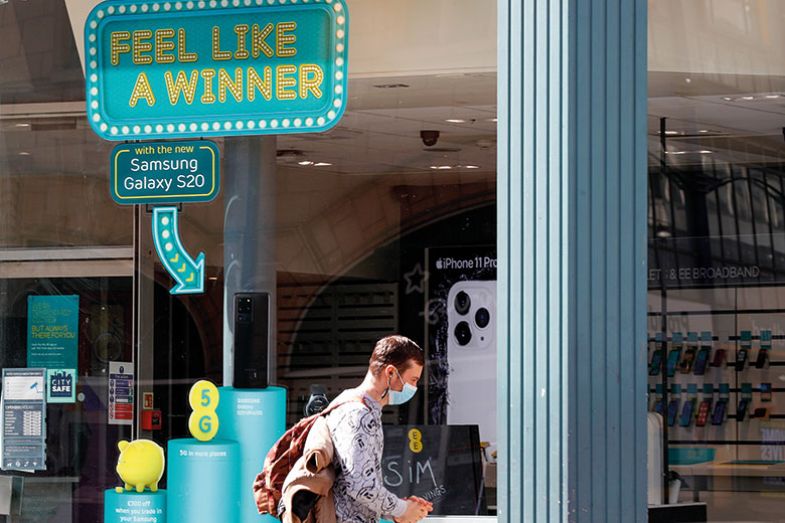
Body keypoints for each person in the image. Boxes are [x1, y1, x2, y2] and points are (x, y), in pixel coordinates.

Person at [326, 335, 433, 523]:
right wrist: (401, 509)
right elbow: (360, 485)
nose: (415, 387)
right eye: (413, 380)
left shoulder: (354, 405)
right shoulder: (359, 414)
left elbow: (353, 487)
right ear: (390, 372)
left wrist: (398, 510)